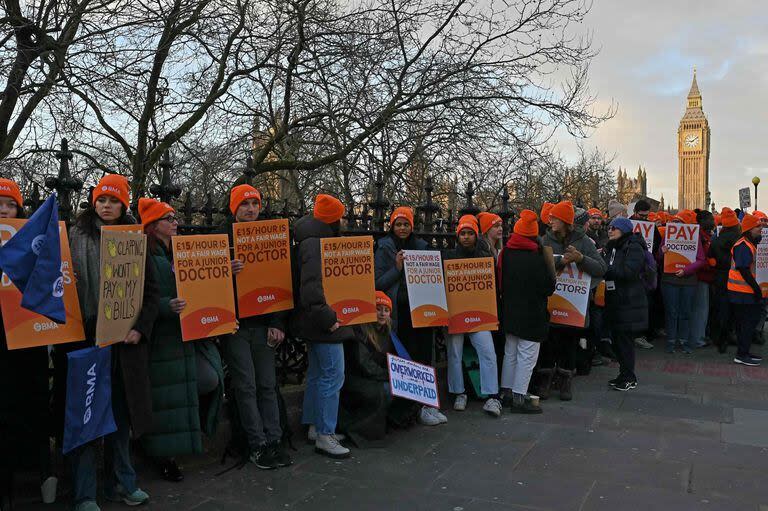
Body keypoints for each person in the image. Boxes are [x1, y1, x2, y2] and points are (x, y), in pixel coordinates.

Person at [60, 174, 158, 511]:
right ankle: (85, 493)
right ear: (93, 202)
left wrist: (140, 329)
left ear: (123, 205)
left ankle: (123, 483)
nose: (106, 205)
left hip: (123, 341)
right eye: (101, 199)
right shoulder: (73, 236)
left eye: (113, 200)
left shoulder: (135, 239)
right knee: (86, 417)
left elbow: (151, 293)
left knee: (119, 415)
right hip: (84, 338)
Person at [138, 198, 224, 481]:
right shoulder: (145, 254)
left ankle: (183, 442)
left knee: (207, 380)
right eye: (169, 218)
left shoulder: (180, 251)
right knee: (166, 398)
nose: (176, 222)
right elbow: (138, 298)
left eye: (175, 217)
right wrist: (165, 306)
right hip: (161, 338)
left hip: (186, 335)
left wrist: (227, 269)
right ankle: (164, 456)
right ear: (152, 226)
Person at [218, 184, 292, 469]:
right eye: (244, 204)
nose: (250, 209)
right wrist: (226, 269)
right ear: (233, 208)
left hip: (263, 325)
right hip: (235, 326)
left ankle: (274, 440)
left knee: (267, 385)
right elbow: (204, 282)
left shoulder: (270, 236)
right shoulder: (219, 239)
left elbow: (281, 281)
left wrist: (277, 322)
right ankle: (256, 444)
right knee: (246, 386)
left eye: (255, 204)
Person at [0, 179, 55, 511]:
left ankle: (38, 475)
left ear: (19, 209)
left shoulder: (36, 240)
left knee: (32, 404)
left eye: (9, 205)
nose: (3, 210)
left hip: (28, 336)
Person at [291, 193, 355, 458]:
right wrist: (329, 319)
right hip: (323, 321)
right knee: (333, 374)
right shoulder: (317, 244)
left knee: (318, 374)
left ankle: (315, 426)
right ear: (334, 219)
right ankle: (325, 434)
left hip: (311, 320)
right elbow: (313, 289)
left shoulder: (309, 240)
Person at [374, 206, 447, 427]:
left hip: (422, 311)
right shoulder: (384, 247)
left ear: (412, 226)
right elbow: (377, 284)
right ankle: (405, 410)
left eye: (406, 224)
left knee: (424, 357)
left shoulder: (423, 247)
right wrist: (397, 268)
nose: (403, 228)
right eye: (399, 224)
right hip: (398, 313)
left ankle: (426, 406)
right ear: (392, 226)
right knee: (403, 361)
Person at [539, 201, 606, 401]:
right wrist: (560, 262)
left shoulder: (584, 241)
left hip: (574, 306)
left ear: (566, 222)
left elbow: (601, 269)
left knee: (569, 342)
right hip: (551, 302)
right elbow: (539, 267)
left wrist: (581, 259)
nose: (550, 221)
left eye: (555, 218)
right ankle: (545, 379)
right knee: (549, 342)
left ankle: (565, 380)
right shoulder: (545, 240)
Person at [443, 215, 501, 417]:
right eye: (463, 234)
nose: (466, 237)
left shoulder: (485, 258)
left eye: (470, 234)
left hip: (479, 314)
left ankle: (492, 395)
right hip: (456, 313)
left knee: (487, 352)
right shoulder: (448, 256)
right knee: (454, 353)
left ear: (476, 236)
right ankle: (459, 392)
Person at [498, 210, 555, 413]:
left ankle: (505, 392)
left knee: (510, 353)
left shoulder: (505, 252)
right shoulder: (536, 257)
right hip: (532, 315)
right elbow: (548, 287)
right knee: (527, 356)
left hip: (511, 311)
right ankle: (519, 398)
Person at [339, 292, 401, 445]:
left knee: (394, 388)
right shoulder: (361, 330)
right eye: (378, 309)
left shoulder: (389, 331)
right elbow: (363, 363)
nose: (382, 313)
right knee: (385, 390)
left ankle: (379, 425)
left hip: (373, 376)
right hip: (357, 378)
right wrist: (389, 376)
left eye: (386, 310)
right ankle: (359, 429)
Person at [602, 217, 648, 391]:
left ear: (624, 230)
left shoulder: (633, 247)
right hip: (615, 299)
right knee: (617, 340)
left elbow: (629, 271)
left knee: (625, 341)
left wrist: (606, 268)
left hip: (629, 300)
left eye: (614, 228)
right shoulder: (613, 247)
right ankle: (623, 374)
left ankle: (629, 376)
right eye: (609, 228)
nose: (610, 230)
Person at [660, 209, 702, 354]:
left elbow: (701, 260)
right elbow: (658, 257)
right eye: (674, 221)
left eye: (679, 222)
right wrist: (662, 251)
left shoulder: (695, 238)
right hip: (669, 280)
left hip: (688, 281)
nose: (675, 224)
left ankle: (684, 341)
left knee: (685, 312)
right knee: (671, 312)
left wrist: (686, 270)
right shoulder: (667, 235)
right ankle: (671, 341)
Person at [727, 213, 764, 366]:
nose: (761, 229)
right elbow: (743, 269)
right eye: (758, 227)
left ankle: (744, 352)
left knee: (747, 323)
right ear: (749, 229)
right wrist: (756, 288)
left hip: (743, 291)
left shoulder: (747, 243)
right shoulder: (742, 245)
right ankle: (742, 354)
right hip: (741, 292)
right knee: (746, 324)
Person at [709, 207, 741, 353]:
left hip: (720, 277)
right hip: (737, 277)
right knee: (734, 309)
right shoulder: (739, 239)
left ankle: (720, 340)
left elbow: (711, 259)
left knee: (721, 308)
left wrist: (715, 264)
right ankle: (729, 335)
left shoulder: (716, 239)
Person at [690, 210, 715, 349]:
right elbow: (699, 257)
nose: (713, 222)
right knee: (700, 309)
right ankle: (698, 339)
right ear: (703, 220)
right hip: (700, 277)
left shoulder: (703, 234)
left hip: (704, 277)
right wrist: (710, 263)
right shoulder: (698, 235)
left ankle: (698, 336)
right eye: (711, 219)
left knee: (700, 309)